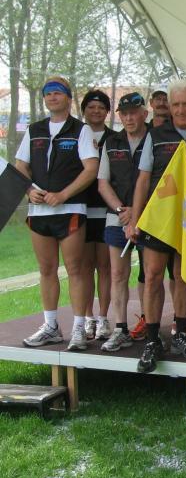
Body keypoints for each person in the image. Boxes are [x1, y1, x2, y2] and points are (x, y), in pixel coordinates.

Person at [128, 79, 186, 373]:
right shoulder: (155, 135)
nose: (180, 110)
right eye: (175, 104)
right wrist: (135, 219)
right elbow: (143, 179)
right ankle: (153, 339)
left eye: (185, 104)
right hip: (159, 219)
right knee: (153, 275)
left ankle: (180, 333)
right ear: (168, 105)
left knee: (182, 276)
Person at [18, 76, 99, 350]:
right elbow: (20, 165)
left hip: (71, 209)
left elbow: (91, 169)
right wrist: (29, 189)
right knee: (46, 269)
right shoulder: (34, 130)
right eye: (48, 93)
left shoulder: (81, 130)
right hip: (39, 211)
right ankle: (51, 326)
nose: (52, 96)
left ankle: (78, 328)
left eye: (58, 92)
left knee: (76, 269)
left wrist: (63, 194)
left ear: (68, 98)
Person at [96, 92, 149, 351]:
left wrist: (137, 212)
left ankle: (150, 326)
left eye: (133, 113)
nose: (129, 118)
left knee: (150, 274)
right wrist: (121, 210)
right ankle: (120, 328)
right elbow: (102, 182)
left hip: (149, 218)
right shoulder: (111, 141)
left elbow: (160, 181)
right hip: (117, 217)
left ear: (144, 114)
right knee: (118, 274)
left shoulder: (155, 139)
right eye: (124, 114)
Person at [79, 89, 113, 342]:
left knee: (104, 266)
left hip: (106, 210)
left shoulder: (114, 138)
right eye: (91, 107)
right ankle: (87, 317)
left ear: (107, 112)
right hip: (81, 209)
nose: (96, 111)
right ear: (84, 111)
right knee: (84, 267)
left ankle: (103, 318)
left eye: (101, 107)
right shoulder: (77, 135)